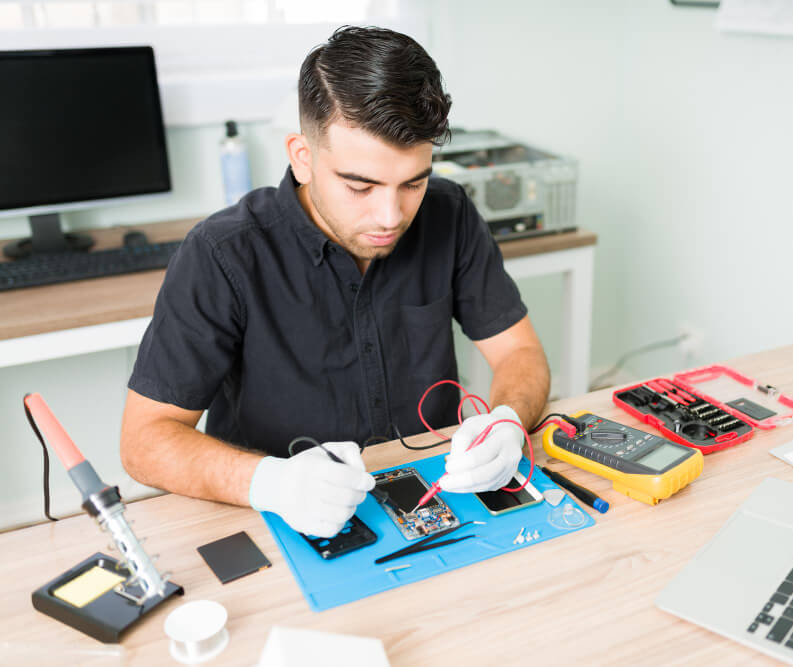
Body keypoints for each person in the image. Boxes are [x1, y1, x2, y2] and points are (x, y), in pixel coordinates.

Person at [120, 26, 551, 538]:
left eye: (413, 182)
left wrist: (506, 419)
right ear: (303, 158)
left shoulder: (449, 212)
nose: (390, 215)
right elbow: (144, 442)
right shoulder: (222, 253)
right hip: (276, 519)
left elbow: (518, 354)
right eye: (360, 186)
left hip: (431, 499)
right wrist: (270, 483)